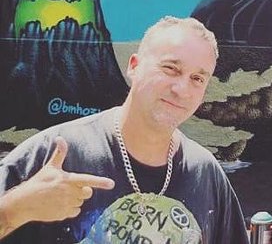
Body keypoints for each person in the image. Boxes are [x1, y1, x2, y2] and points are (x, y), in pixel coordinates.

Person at [0, 16, 249, 243]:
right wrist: (16, 209)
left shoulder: (206, 174)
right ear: (134, 66)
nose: (182, 89)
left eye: (197, 79)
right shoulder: (53, 154)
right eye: (171, 69)